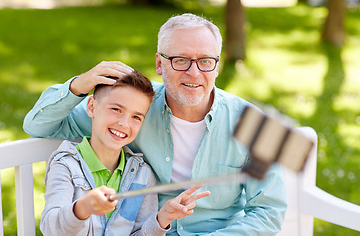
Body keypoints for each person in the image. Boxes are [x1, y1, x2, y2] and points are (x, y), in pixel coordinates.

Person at [24, 13, 287, 235]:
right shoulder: (133, 110)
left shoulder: (255, 124)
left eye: (206, 61)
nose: (194, 73)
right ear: (160, 64)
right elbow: (39, 126)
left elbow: (268, 211)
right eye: (181, 60)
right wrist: (78, 85)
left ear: (217, 67)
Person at [40, 71, 210, 236]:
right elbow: (51, 229)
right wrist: (83, 208)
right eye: (116, 109)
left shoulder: (142, 176)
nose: (124, 124)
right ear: (91, 107)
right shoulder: (66, 165)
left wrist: (161, 219)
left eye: (136, 117)